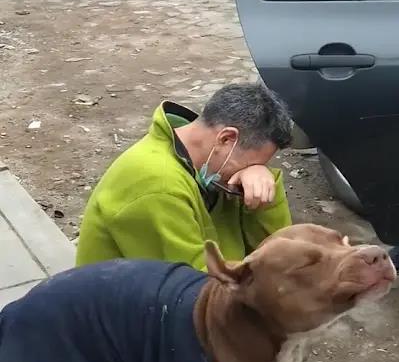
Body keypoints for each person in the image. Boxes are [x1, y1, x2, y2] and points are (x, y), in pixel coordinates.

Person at [76, 83, 293, 270]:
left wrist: (263, 190)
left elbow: (282, 258)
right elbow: (196, 294)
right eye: (252, 163)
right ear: (226, 139)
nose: (246, 173)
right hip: (133, 314)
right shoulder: (156, 185)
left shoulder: (208, 169)